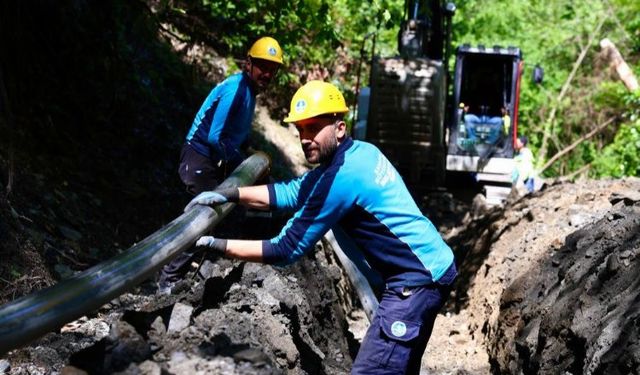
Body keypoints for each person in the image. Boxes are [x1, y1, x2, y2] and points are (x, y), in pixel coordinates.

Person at [186, 81, 457, 374]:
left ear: (339, 128)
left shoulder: (342, 178)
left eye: (314, 128)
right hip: (430, 267)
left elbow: (285, 248)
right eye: (300, 130)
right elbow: (292, 192)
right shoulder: (359, 153)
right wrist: (230, 193)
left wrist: (218, 245)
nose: (305, 138)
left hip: (415, 282)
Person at [157, 36, 284, 293]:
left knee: (226, 212)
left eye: (273, 69)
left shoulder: (249, 92)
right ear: (248, 63)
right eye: (263, 66)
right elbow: (216, 136)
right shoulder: (236, 89)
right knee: (204, 216)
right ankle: (168, 279)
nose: (267, 73)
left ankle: (214, 266)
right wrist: (240, 163)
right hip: (199, 155)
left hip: (212, 157)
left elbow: (238, 135)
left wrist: (252, 158)